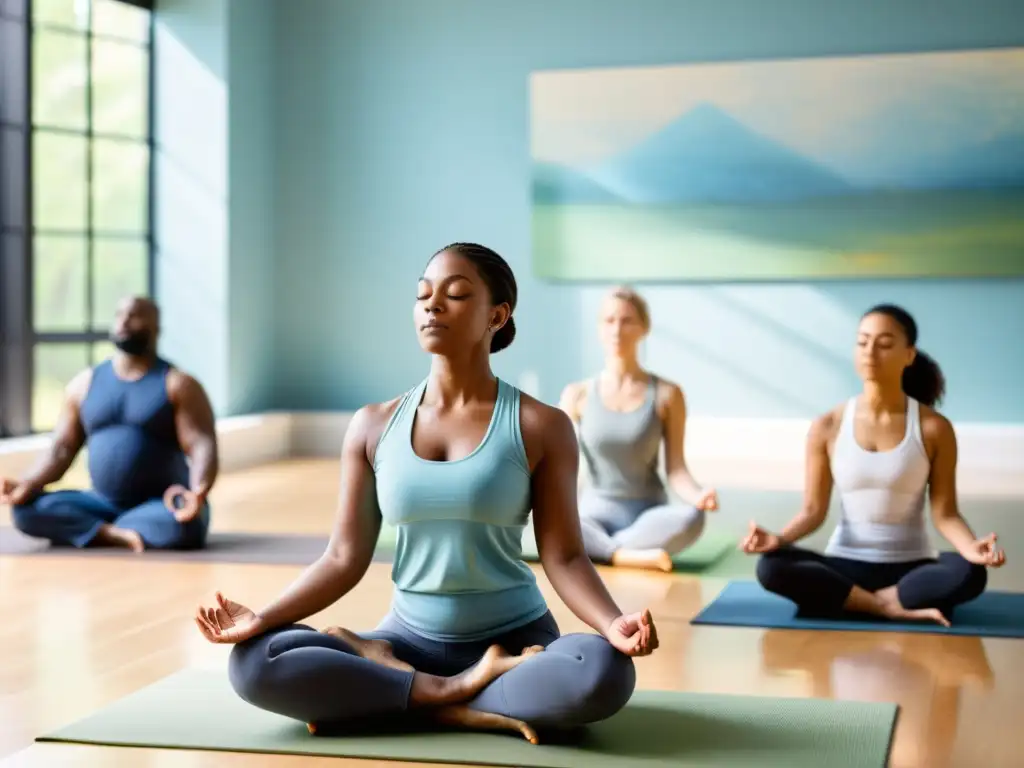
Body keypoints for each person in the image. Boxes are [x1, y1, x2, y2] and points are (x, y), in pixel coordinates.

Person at [193, 243, 657, 743]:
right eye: (423, 295)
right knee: (255, 662)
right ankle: (457, 699)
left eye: (456, 294)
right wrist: (262, 617)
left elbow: (564, 555)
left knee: (603, 671)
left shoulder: (542, 425)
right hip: (402, 642)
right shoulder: (372, 425)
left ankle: (405, 698)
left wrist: (612, 624)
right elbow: (343, 558)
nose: (433, 305)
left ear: (496, 317)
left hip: (515, 647)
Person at [743, 303, 1004, 626]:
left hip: (911, 569)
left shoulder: (934, 428)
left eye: (884, 344)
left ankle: (856, 602)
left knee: (970, 572)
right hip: (845, 565)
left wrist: (972, 547)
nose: (870, 352)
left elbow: (945, 512)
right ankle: (885, 606)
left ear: (909, 355)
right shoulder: (828, 425)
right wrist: (778, 540)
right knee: (771, 566)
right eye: (862, 341)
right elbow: (812, 510)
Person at [0, 296, 218, 553]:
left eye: (135, 315)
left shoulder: (178, 384)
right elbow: (61, 449)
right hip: (101, 502)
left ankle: (91, 528)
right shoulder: (84, 384)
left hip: (159, 502)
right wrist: (28, 483)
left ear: (156, 327)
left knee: (187, 523)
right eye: (119, 315)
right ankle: (112, 532)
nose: (124, 321)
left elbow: (201, 444)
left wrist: (198, 491)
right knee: (25, 510)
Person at [558, 286, 718, 573]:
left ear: (644, 328)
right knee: (553, 520)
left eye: (627, 320)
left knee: (693, 518)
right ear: (599, 329)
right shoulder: (576, 394)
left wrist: (698, 495)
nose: (617, 329)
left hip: (648, 515)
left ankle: (603, 549)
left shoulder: (668, 394)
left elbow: (677, 469)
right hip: (594, 513)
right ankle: (625, 554)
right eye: (609, 320)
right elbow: (560, 463)